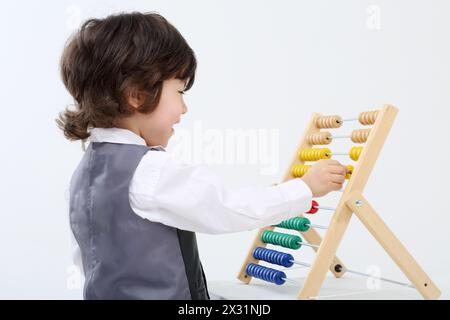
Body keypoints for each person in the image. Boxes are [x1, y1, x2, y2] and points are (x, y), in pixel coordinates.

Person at [56, 12, 347, 300]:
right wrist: (304, 187)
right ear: (138, 95)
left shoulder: (81, 177)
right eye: (180, 92)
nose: (184, 109)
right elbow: (229, 209)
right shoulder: (151, 170)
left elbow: (88, 261)